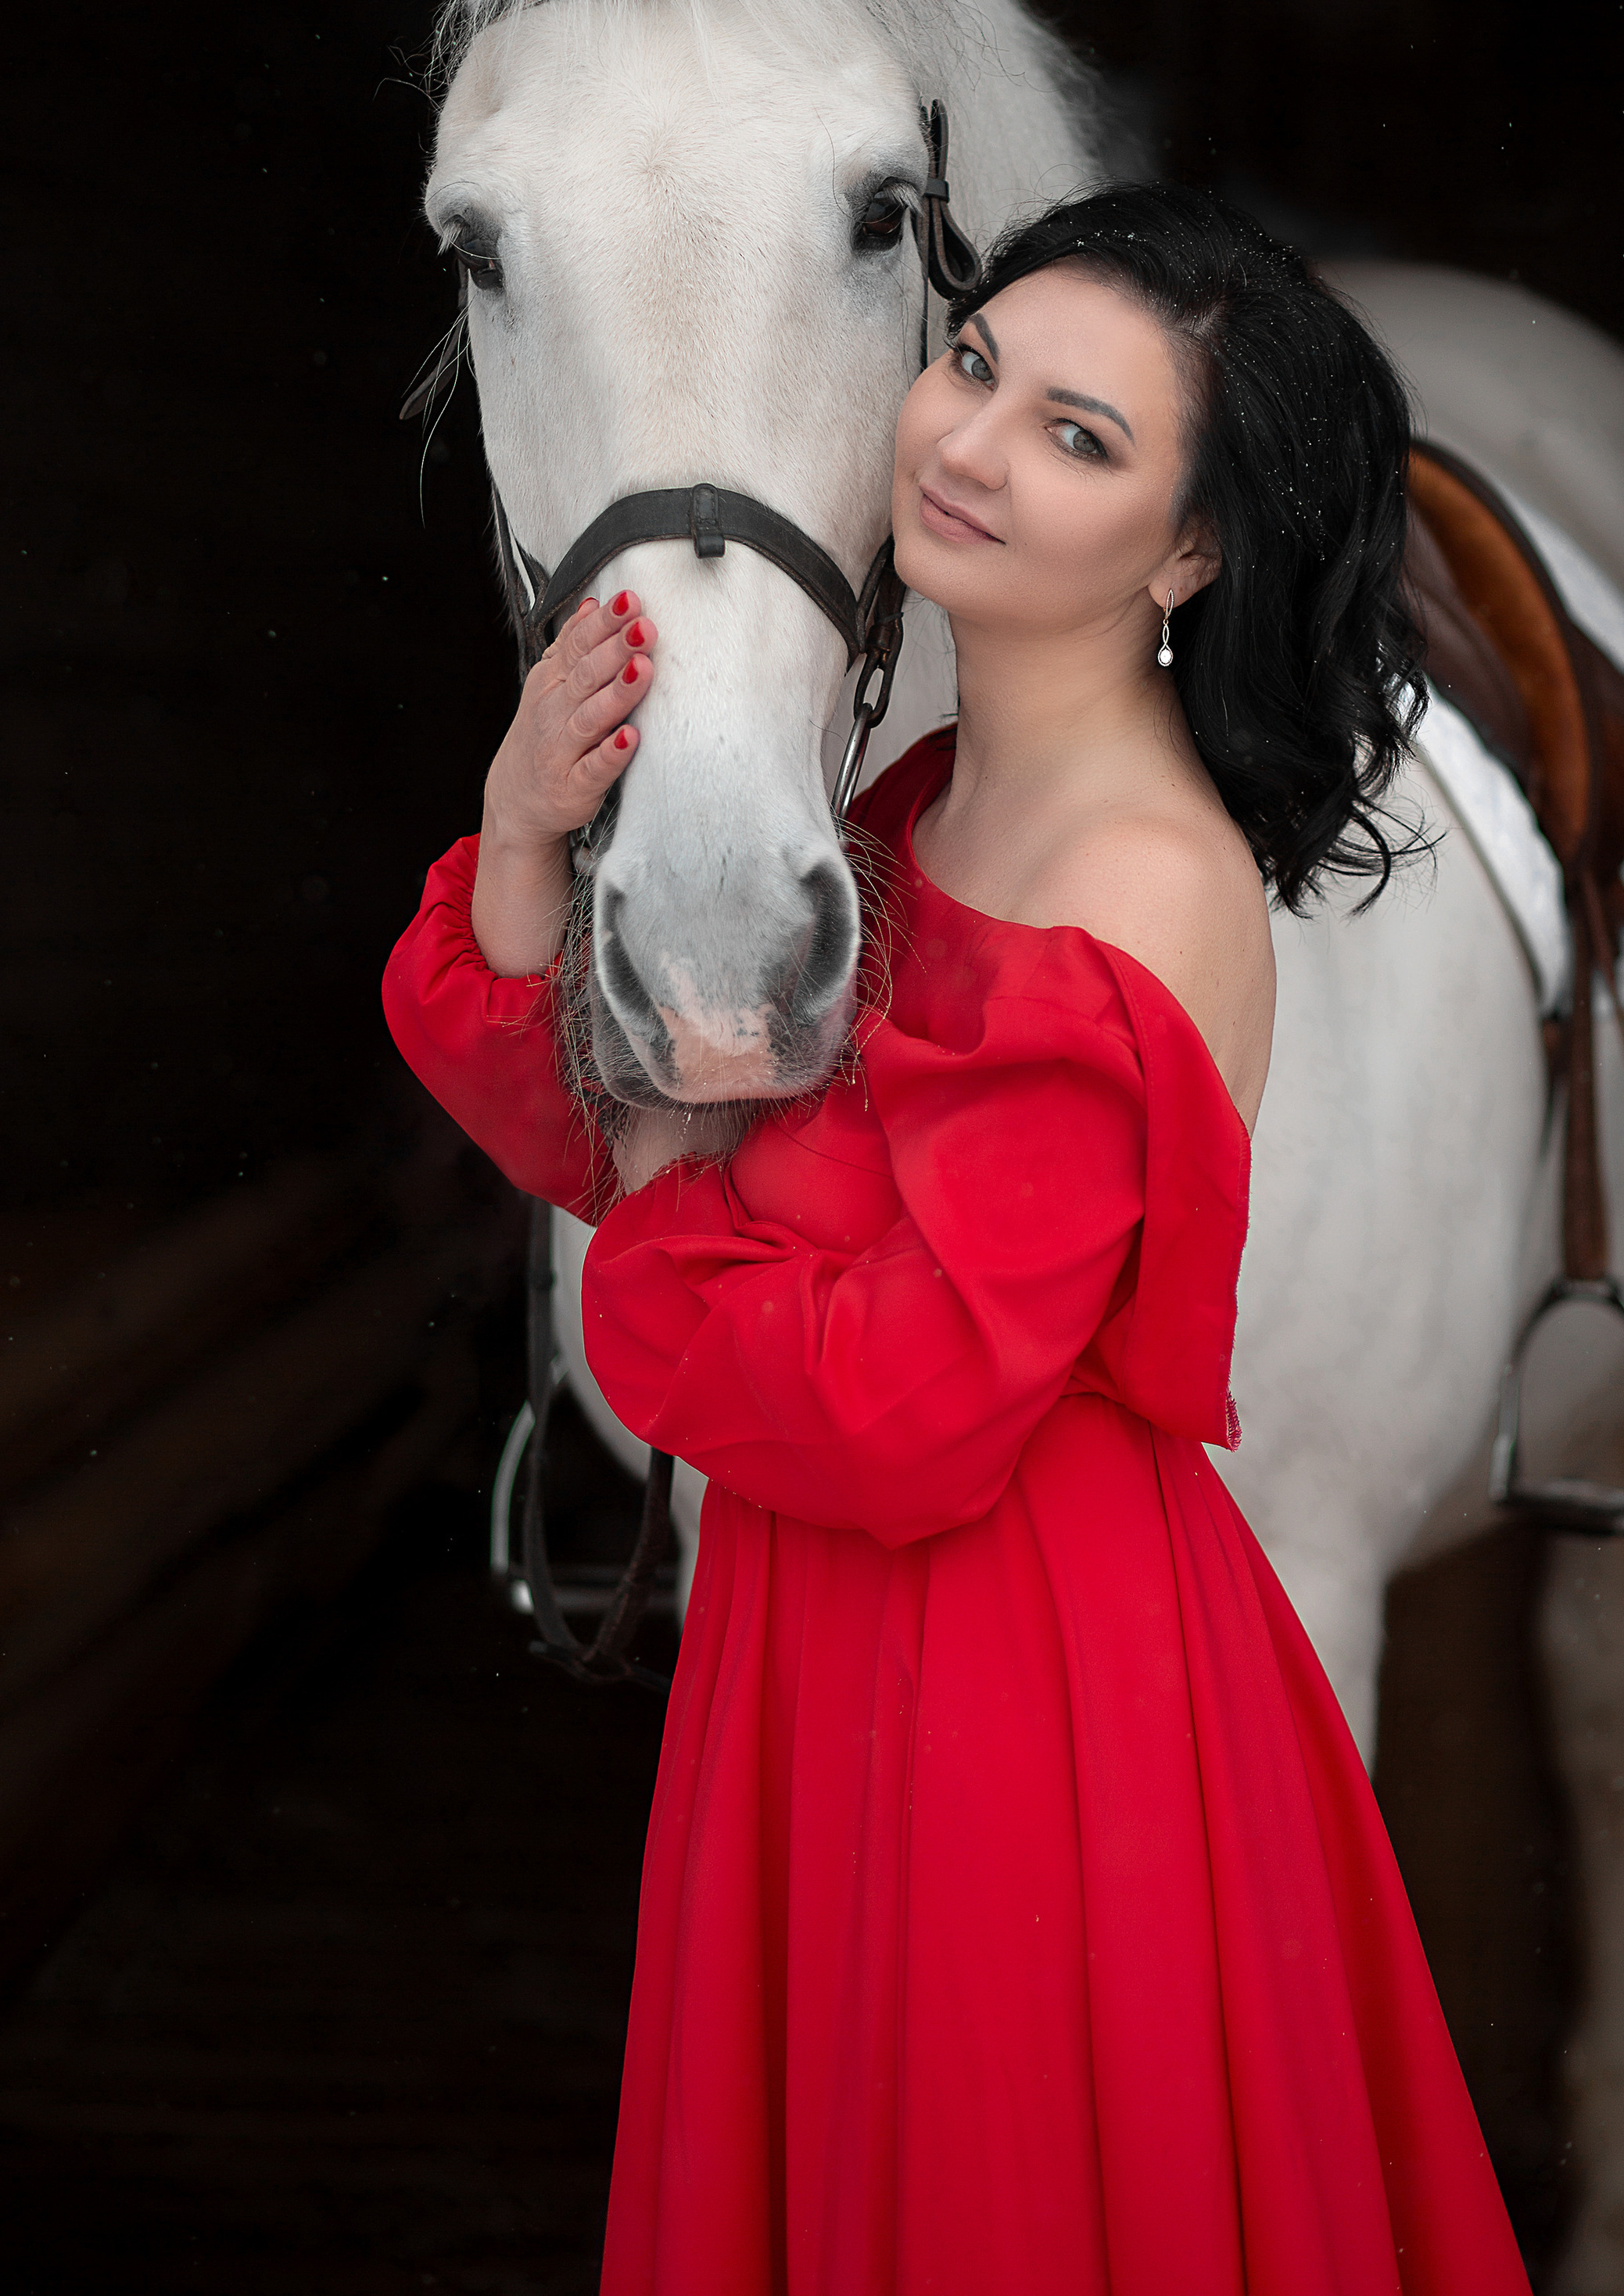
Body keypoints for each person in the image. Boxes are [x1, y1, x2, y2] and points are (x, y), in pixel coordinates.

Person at [384, 186, 1529, 2295]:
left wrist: (660, 1194)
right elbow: (607, 1114)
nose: (970, 445)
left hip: (1028, 1677)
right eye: (980, 363)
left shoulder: (1142, 882)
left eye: (1081, 440)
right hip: (825, 1618)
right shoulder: (903, 806)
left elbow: (904, 1405)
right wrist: (530, 832)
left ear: (1191, 554)